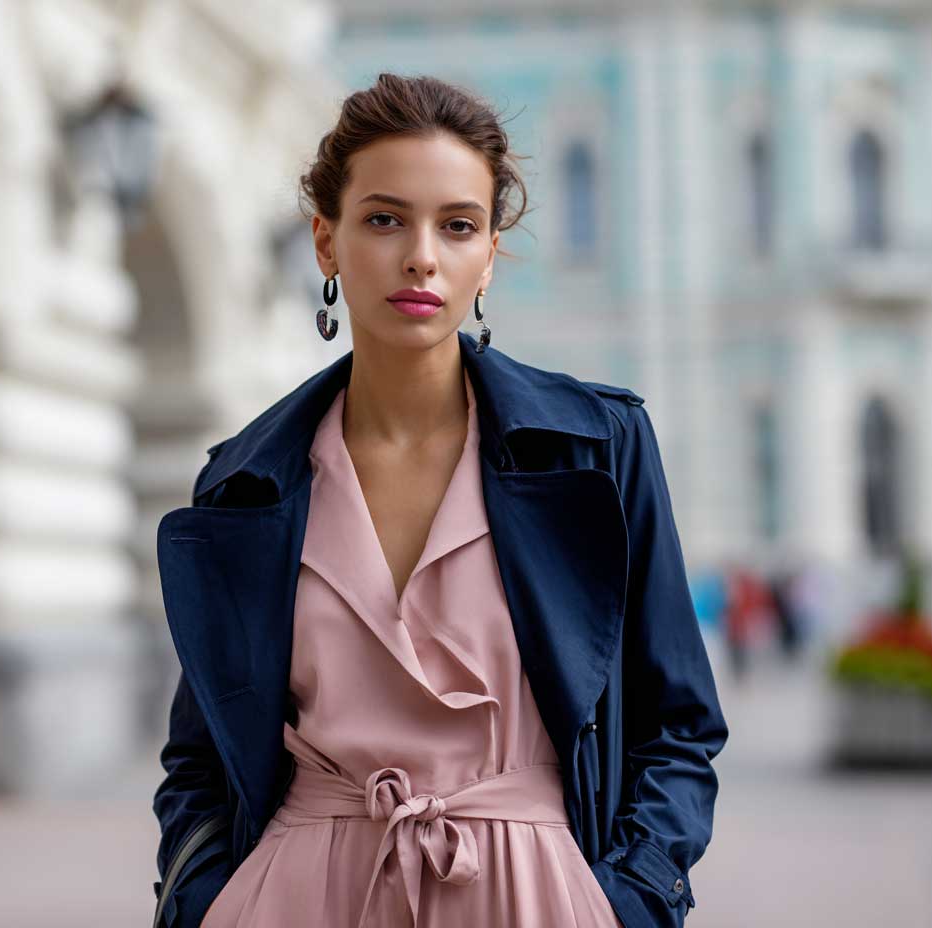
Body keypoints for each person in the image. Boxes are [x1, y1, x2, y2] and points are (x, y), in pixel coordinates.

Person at [152, 73, 728, 928]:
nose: (421, 254)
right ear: (325, 240)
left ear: (489, 254)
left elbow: (679, 723)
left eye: (457, 225)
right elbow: (202, 756)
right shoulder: (245, 481)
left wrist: (630, 902)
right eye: (384, 219)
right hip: (295, 898)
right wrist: (204, 899)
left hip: (533, 896)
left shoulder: (598, 448)